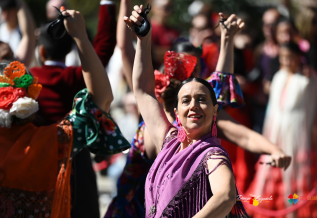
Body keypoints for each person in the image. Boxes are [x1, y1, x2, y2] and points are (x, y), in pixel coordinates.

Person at [104, 2, 291, 217]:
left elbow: (227, 192)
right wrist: (142, 35)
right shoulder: (167, 136)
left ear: (213, 110)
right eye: (186, 100)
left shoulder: (210, 153)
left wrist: (227, 41)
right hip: (133, 205)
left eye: (201, 99)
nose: (193, 105)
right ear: (176, 110)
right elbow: (140, 85)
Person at [0, 8, 129, 218]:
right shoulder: (51, 140)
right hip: (78, 177)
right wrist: (82, 38)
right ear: (30, 101)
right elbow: (103, 98)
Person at [30, 1, 116, 217]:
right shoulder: (74, 77)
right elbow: (103, 50)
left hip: (36, 161)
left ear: (40, 50)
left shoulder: (27, 80)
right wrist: (107, 5)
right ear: (70, 49)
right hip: (76, 163)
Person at [246, 42, 317, 218]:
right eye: (283, 57)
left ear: (298, 57)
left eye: (290, 57)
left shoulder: (308, 80)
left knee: (295, 175)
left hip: (297, 136)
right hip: (275, 133)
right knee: (270, 172)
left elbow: (311, 112)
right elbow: (273, 111)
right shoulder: (278, 76)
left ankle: (293, 209)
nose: (286, 61)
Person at [0, 0, 36, 66]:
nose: (6, 15)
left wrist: (20, 2)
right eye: (4, 11)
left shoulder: (21, 32)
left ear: (15, 11)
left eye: (9, 11)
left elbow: (29, 35)